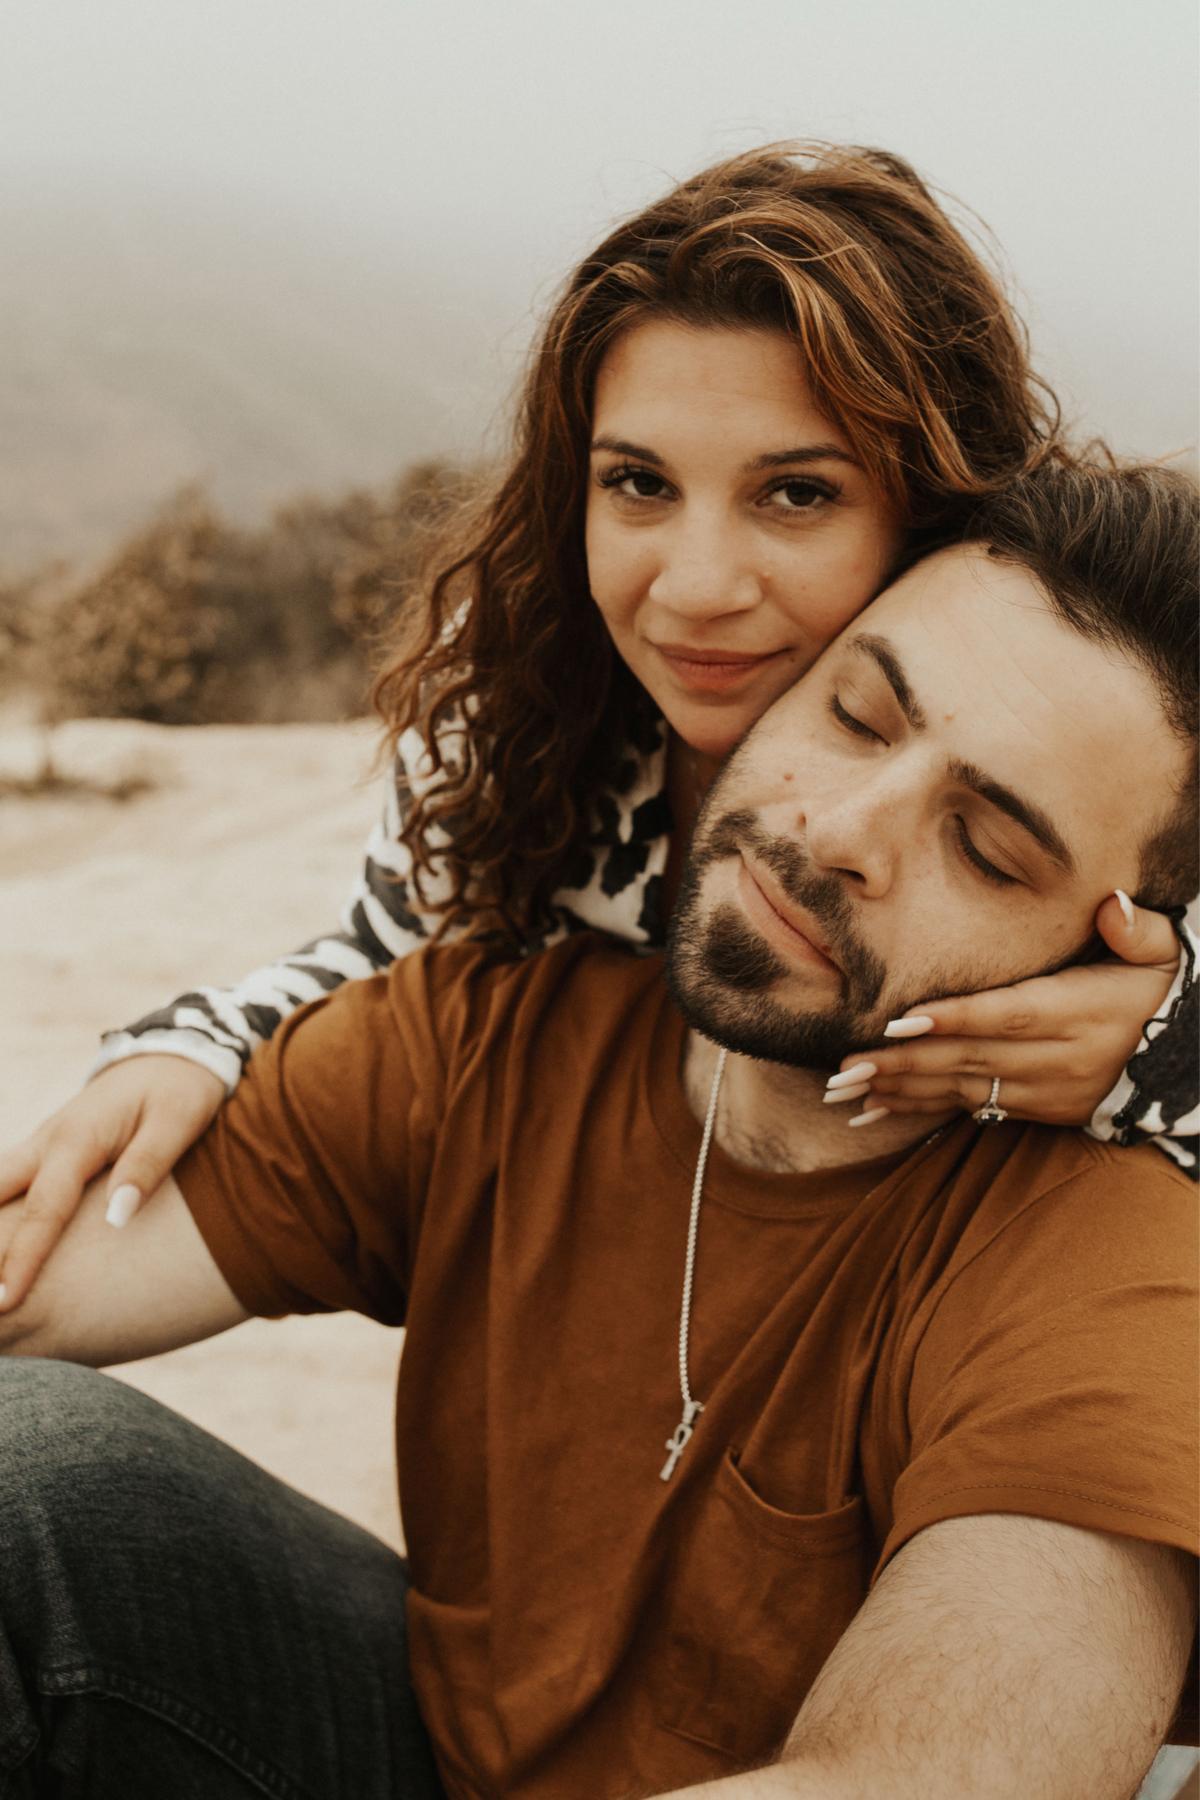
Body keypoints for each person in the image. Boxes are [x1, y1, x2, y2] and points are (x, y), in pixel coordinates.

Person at [1, 460, 1196, 1800]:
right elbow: (40, 1278)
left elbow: (929, 1780)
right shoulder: (500, 1033)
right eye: (857, 715)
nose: (841, 831)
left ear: (1131, 951)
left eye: (986, 850)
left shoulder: (1124, 1268)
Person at [0, 141, 1193, 1314]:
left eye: (797, 494)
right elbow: (400, 966)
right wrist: (197, 1044)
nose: (695, 588)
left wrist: (1166, 1053)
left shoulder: (1110, 770)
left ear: (939, 516)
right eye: (639, 483)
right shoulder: (515, 711)